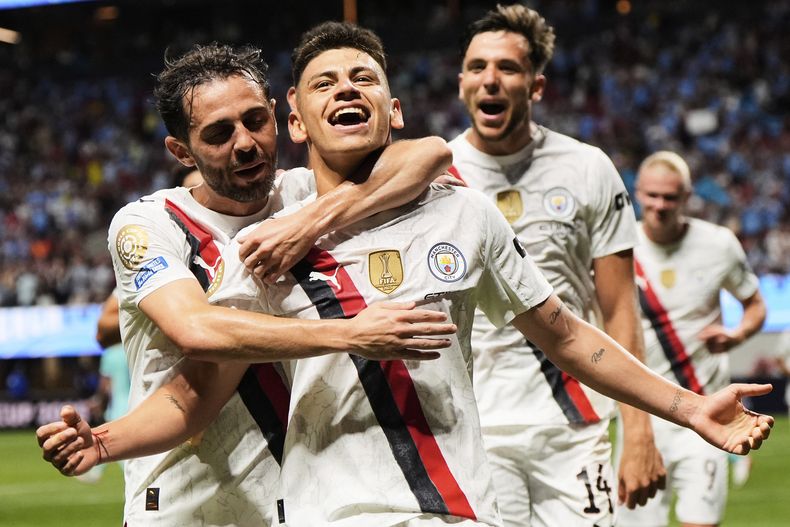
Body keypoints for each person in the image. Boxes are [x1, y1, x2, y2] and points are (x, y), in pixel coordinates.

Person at [40, 22, 774, 527]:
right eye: (324, 82)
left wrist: (685, 408)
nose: (345, 88)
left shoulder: (461, 213)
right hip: (324, 513)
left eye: (363, 77)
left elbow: (566, 334)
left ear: (394, 109)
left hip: (460, 508)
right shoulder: (259, 245)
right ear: (300, 119)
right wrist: (104, 441)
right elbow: (195, 388)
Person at [37, 42, 458, 527]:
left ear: (277, 116)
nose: (245, 143)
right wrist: (352, 334)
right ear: (180, 151)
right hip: (182, 499)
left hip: (292, 500)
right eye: (218, 134)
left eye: (255, 120)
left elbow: (430, 153)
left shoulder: (300, 196)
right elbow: (196, 329)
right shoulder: (149, 224)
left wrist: (311, 220)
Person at [448, 5, 663, 525]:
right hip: (477, 427)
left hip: (574, 424)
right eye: (478, 67)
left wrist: (638, 431)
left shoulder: (588, 169)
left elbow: (619, 310)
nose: (490, 80)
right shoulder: (439, 177)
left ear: (536, 86)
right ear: (461, 84)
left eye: (508, 68)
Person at [617, 150, 767, 527]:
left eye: (670, 197)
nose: (660, 205)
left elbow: (755, 305)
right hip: (642, 417)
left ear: (687, 197)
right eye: (652, 195)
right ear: (638, 193)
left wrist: (738, 334)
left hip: (705, 411)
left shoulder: (718, 244)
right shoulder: (616, 248)